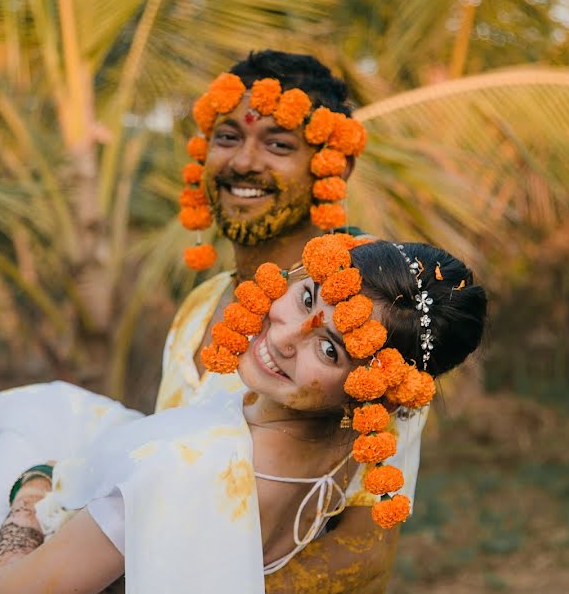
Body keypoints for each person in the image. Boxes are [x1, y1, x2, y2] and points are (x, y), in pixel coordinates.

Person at [0, 234, 485, 593]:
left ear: (373, 389)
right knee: (40, 407)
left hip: (44, 553)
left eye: (329, 348)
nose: (283, 337)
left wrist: (29, 489)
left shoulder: (182, 472)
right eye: (307, 297)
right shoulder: (346, 450)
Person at [158, 50, 425, 591]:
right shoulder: (199, 303)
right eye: (228, 137)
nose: (243, 163)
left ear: (333, 165)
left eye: (278, 144)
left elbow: (366, 545)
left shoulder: (364, 319)